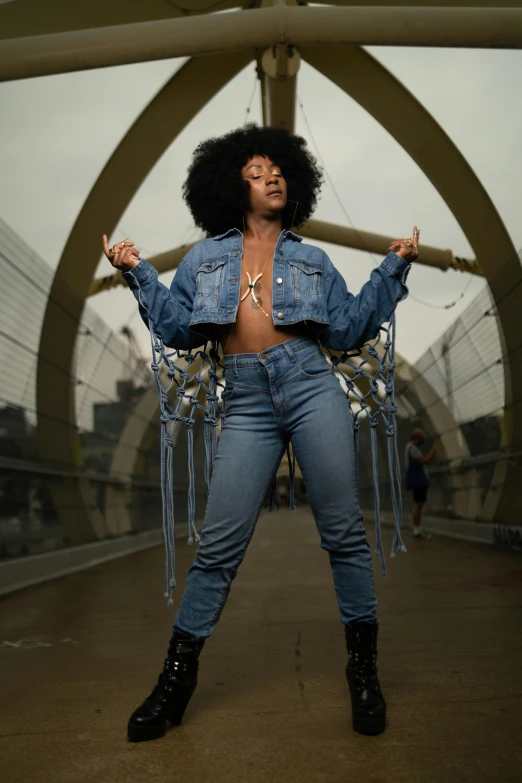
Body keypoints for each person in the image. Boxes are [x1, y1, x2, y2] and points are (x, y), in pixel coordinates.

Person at [101, 125, 419, 743]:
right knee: (219, 548)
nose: (270, 177)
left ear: (293, 181)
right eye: (254, 171)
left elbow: (349, 328)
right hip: (244, 398)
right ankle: (174, 682)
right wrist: (137, 271)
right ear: (231, 186)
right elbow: (179, 329)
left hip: (309, 385)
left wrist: (392, 267)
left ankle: (364, 674)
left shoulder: (313, 259)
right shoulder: (202, 259)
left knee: (344, 534)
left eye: (277, 169)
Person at [405, 428, 437, 540]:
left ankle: (417, 530)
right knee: (418, 505)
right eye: (422, 438)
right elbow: (425, 461)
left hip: (416, 480)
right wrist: (433, 450)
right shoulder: (413, 449)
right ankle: (417, 531)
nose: (423, 441)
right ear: (417, 438)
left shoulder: (409, 448)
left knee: (418, 504)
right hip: (418, 481)